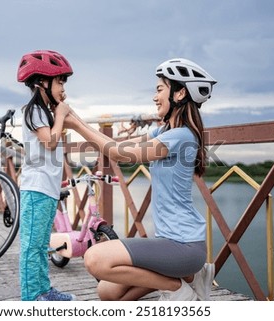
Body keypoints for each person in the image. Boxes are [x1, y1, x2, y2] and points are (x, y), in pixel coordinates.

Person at [64, 58, 217, 301]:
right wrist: (77, 120)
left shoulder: (180, 136)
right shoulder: (164, 132)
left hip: (184, 246)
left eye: (159, 90)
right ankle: (190, 278)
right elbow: (118, 146)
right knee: (107, 292)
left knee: (94, 259)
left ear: (179, 94)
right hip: (170, 243)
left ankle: (178, 289)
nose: (155, 97)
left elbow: (120, 155)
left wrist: (74, 122)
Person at [17, 50, 76, 301]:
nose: (62, 86)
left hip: (47, 189)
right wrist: (61, 115)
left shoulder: (45, 112)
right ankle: (31, 297)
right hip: (36, 188)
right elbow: (49, 142)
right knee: (32, 246)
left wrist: (59, 115)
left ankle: (43, 290)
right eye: (60, 81)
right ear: (42, 82)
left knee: (41, 244)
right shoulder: (34, 111)